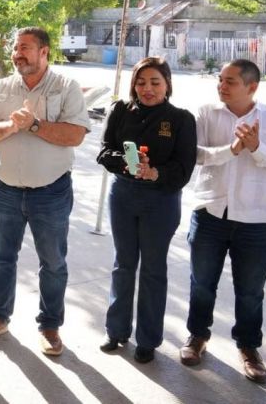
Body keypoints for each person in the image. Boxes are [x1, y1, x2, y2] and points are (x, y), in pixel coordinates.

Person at [0, 27, 88, 356]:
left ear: (44, 52)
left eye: (24, 48)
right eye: (15, 48)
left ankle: (49, 326)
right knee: (0, 259)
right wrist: (10, 126)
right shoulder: (3, 87)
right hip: (4, 189)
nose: (17, 53)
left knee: (53, 262)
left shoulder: (66, 87)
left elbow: (75, 135)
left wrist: (34, 124)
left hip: (50, 191)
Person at [180, 59, 266, 384]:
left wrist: (258, 149)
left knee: (250, 292)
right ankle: (197, 336)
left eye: (230, 81)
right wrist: (231, 150)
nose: (222, 86)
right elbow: (194, 153)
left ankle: (248, 347)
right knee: (201, 283)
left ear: (252, 87)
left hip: (256, 220)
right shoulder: (206, 113)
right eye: (220, 79)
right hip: (210, 212)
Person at [95, 57, 196, 363]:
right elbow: (103, 151)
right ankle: (116, 330)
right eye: (141, 83)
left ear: (167, 84)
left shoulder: (180, 119)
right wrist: (125, 163)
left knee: (153, 269)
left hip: (161, 200)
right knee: (123, 263)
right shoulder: (120, 110)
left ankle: (148, 339)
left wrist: (156, 174)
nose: (147, 89)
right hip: (123, 195)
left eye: (155, 82)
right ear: (133, 85)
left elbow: (184, 167)